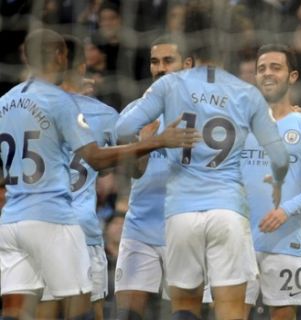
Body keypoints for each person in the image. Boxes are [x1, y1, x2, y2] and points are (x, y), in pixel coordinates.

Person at [0, 28, 199, 320]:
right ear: (60, 58)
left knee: (17, 313)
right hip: (59, 222)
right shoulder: (72, 106)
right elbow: (95, 158)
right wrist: (154, 141)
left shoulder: (5, 101)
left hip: (13, 221)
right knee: (81, 310)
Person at [115, 4, 290, 318]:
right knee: (232, 307)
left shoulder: (169, 85)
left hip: (180, 215)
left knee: (184, 307)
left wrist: (157, 140)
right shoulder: (246, 93)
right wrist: (277, 183)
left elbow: (122, 129)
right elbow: (278, 155)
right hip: (228, 211)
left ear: (188, 44)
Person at [242, 44, 301, 320]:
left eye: (275, 67)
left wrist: (285, 210)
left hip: (285, 240)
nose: (267, 73)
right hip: (238, 239)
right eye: (261, 68)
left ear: (292, 76)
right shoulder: (240, 123)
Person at [34, 34, 118, 320]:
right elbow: (108, 170)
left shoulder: (20, 107)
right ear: (82, 68)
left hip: (37, 227)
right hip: (81, 231)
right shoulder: (106, 115)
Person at [114, 34, 194, 320]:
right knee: (126, 315)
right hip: (140, 230)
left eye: (168, 61)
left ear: (186, 65)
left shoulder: (206, 112)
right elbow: (132, 172)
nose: (160, 68)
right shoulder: (134, 113)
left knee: (184, 315)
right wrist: (146, 143)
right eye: (155, 61)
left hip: (185, 230)